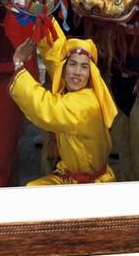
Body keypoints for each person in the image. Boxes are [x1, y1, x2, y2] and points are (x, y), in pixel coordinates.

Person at [10, 19, 118, 185]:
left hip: (91, 186)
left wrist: (18, 64)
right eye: (72, 64)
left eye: (84, 67)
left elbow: (45, 107)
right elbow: (57, 54)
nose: (77, 72)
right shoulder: (76, 88)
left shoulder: (86, 105)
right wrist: (45, 18)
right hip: (69, 176)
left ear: (91, 73)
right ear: (64, 68)